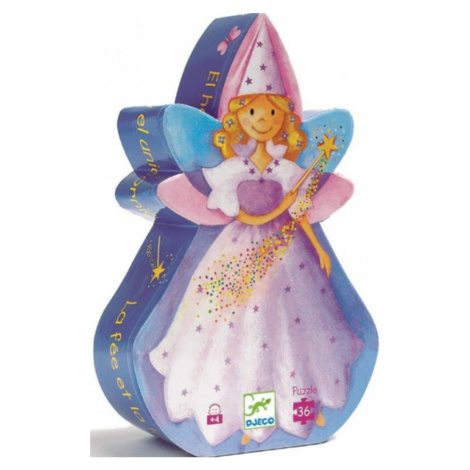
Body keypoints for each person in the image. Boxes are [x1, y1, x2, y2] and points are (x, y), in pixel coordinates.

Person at [149, 93, 363, 447]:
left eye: (272, 113)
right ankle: (231, 406)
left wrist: (317, 247)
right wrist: (263, 212)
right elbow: (231, 209)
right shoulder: (232, 169)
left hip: (288, 249)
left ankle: (300, 401)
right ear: (239, 120)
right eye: (252, 112)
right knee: (234, 320)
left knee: (292, 319)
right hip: (239, 247)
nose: (262, 120)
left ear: (283, 121)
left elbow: (299, 212)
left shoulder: (286, 170)